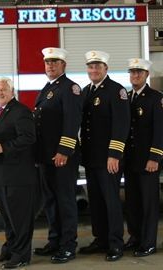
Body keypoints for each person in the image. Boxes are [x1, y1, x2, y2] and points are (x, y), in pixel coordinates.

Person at [79, 50, 130, 261]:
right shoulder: (85, 91)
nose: (93, 70)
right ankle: (100, 239)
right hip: (91, 158)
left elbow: (121, 125)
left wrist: (115, 154)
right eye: (90, 67)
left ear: (105, 69)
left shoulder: (116, 91)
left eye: (97, 66)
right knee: (97, 202)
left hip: (109, 159)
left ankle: (115, 243)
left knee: (111, 201)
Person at [33, 47, 83, 263]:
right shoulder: (48, 88)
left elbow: (72, 122)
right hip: (46, 157)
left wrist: (64, 151)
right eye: (47, 62)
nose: (50, 66)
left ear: (63, 65)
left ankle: (68, 246)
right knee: (51, 201)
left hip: (63, 157)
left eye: (55, 62)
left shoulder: (70, 88)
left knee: (65, 201)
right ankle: (55, 241)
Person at [0, 77, 36, 269]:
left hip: (18, 176)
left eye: (3, 90)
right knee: (8, 217)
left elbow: (29, 138)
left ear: (12, 91)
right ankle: (10, 249)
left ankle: (22, 255)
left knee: (20, 218)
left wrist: (4, 147)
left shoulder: (20, 111)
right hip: (0, 174)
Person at [123, 58, 163, 257]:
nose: (135, 76)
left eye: (139, 72)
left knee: (148, 204)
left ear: (146, 75)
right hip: (130, 161)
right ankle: (135, 237)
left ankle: (148, 242)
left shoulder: (156, 98)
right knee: (133, 202)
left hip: (148, 161)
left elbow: (160, 130)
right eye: (132, 72)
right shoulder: (127, 96)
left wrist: (155, 157)